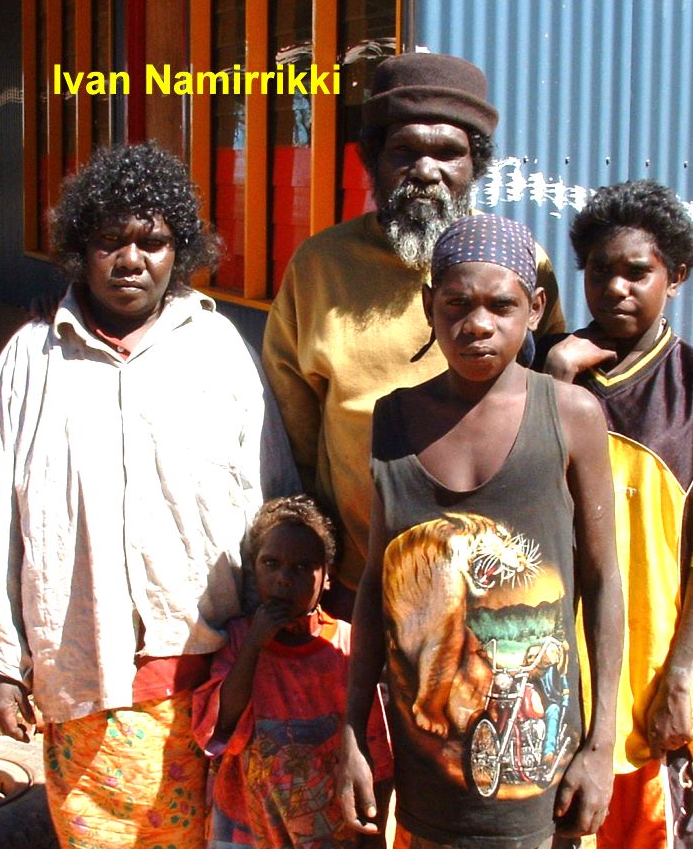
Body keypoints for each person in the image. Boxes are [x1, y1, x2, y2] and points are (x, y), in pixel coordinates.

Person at [0, 142, 266, 849]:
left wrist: (269, 633)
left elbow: (266, 495)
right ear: (78, 251)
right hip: (80, 676)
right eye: (109, 241)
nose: (131, 259)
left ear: (178, 249)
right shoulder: (32, 361)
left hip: (207, 677)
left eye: (152, 241)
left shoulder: (218, 351)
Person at [338, 214, 623, 848]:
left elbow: (604, 583)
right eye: (457, 303)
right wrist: (353, 735)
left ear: (536, 308)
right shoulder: (395, 421)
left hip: (543, 783)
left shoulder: (570, 416)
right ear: (428, 305)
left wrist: (600, 746)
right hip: (427, 779)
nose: (478, 324)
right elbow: (375, 589)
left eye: (502, 305)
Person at [262, 51, 565, 618]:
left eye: (448, 152)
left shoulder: (523, 265)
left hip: (498, 589)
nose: (426, 170)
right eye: (405, 150)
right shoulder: (318, 267)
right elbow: (294, 436)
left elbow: (551, 397)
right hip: (361, 584)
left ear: (475, 164)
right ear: (372, 159)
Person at [536, 179, 693, 847]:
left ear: (676, 277)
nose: (618, 288)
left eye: (639, 272)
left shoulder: (688, 390)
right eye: (601, 271)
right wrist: (555, 379)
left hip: (653, 678)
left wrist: (684, 673)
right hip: (552, 675)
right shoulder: (544, 372)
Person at [192, 494, 391, 848]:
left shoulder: (346, 645)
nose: (284, 578)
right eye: (271, 563)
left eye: (302, 567)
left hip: (327, 830)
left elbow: (376, 750)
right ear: (254, 570)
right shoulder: (239, 639)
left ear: (327, 577)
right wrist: (255, 643)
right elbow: (220, 729)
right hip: (250, 828)